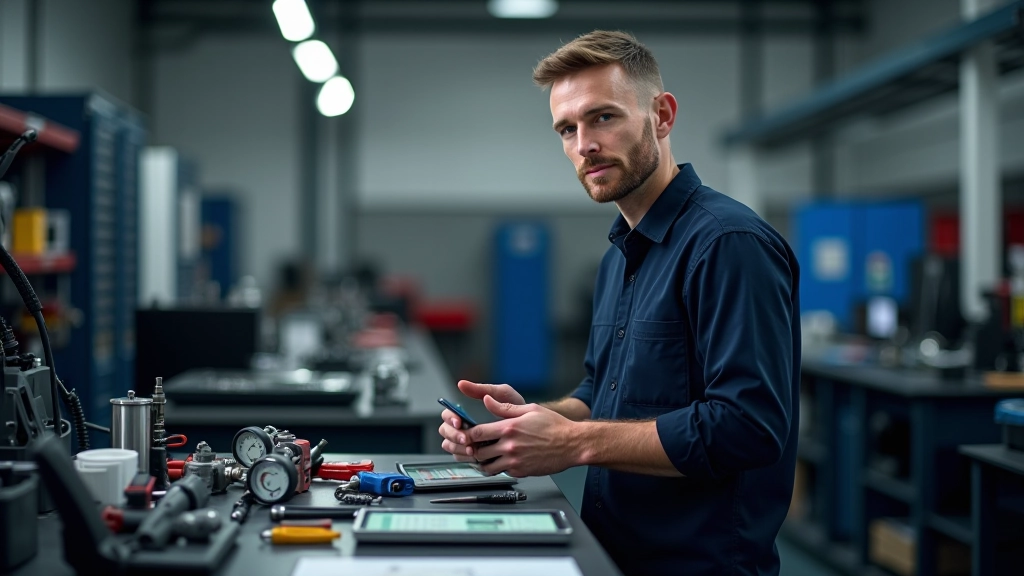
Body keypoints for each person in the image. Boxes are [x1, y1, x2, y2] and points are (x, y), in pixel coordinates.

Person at [438, 30, 800, 576]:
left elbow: (747, 428)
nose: (583, 143)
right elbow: (599, 391)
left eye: (602, 117)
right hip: (613, 553)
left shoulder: (729, 244)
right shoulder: (618, 257)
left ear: (662, 115)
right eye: (567, 129)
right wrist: (524, 423)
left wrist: (570, 444)